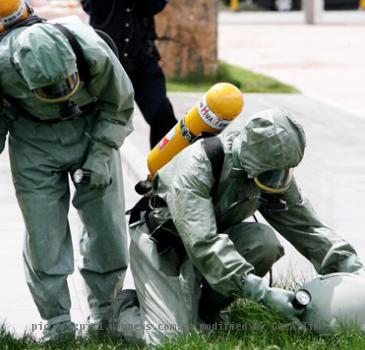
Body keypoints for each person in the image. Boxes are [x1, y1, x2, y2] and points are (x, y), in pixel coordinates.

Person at [103, 108, 365, 346]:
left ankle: (202, 313)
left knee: (264, 241)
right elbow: (203, 243)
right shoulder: (197, 165)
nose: (278, 179)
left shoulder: (270, 169)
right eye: (272, 173)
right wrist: (261, 293)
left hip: (211, 242)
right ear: (250, 159)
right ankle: (120, 312)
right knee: (169, 339)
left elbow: (307, 228)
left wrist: (353, 271)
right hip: (162, 243)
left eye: (283, 172)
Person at [0, 0, 134, 340]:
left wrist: (102, 153)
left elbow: (119, 103)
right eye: (51, 91)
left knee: (107, 226)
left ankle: (105, 313)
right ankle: (57, 321)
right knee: (42, 232)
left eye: (67, 82)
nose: (62, 95)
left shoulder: (89, 46)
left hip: (92, 128)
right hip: (32, 139)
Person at [80, 0, 177, 148]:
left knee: (162, 115)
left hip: (143, 60)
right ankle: (93, 168)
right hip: (107, 63)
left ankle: (165, 167)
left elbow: (155, 5)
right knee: (97, 123)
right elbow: (90, 6)